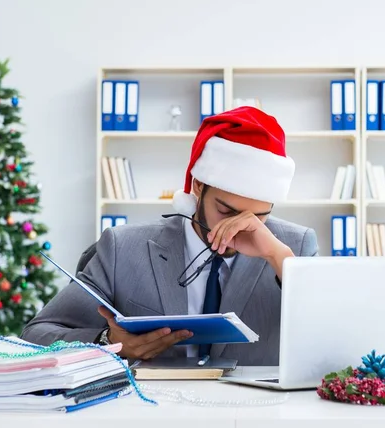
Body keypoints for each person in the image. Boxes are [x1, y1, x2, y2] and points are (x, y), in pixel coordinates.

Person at [21, 106, 319, 366]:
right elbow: (38, 333)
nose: (239, 227)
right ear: (198, 186)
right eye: (226, 211)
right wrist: (106, 340)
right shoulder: (122, 248)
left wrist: (280, 261)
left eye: (258, 217)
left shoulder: (294, 248)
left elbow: (331, 342)